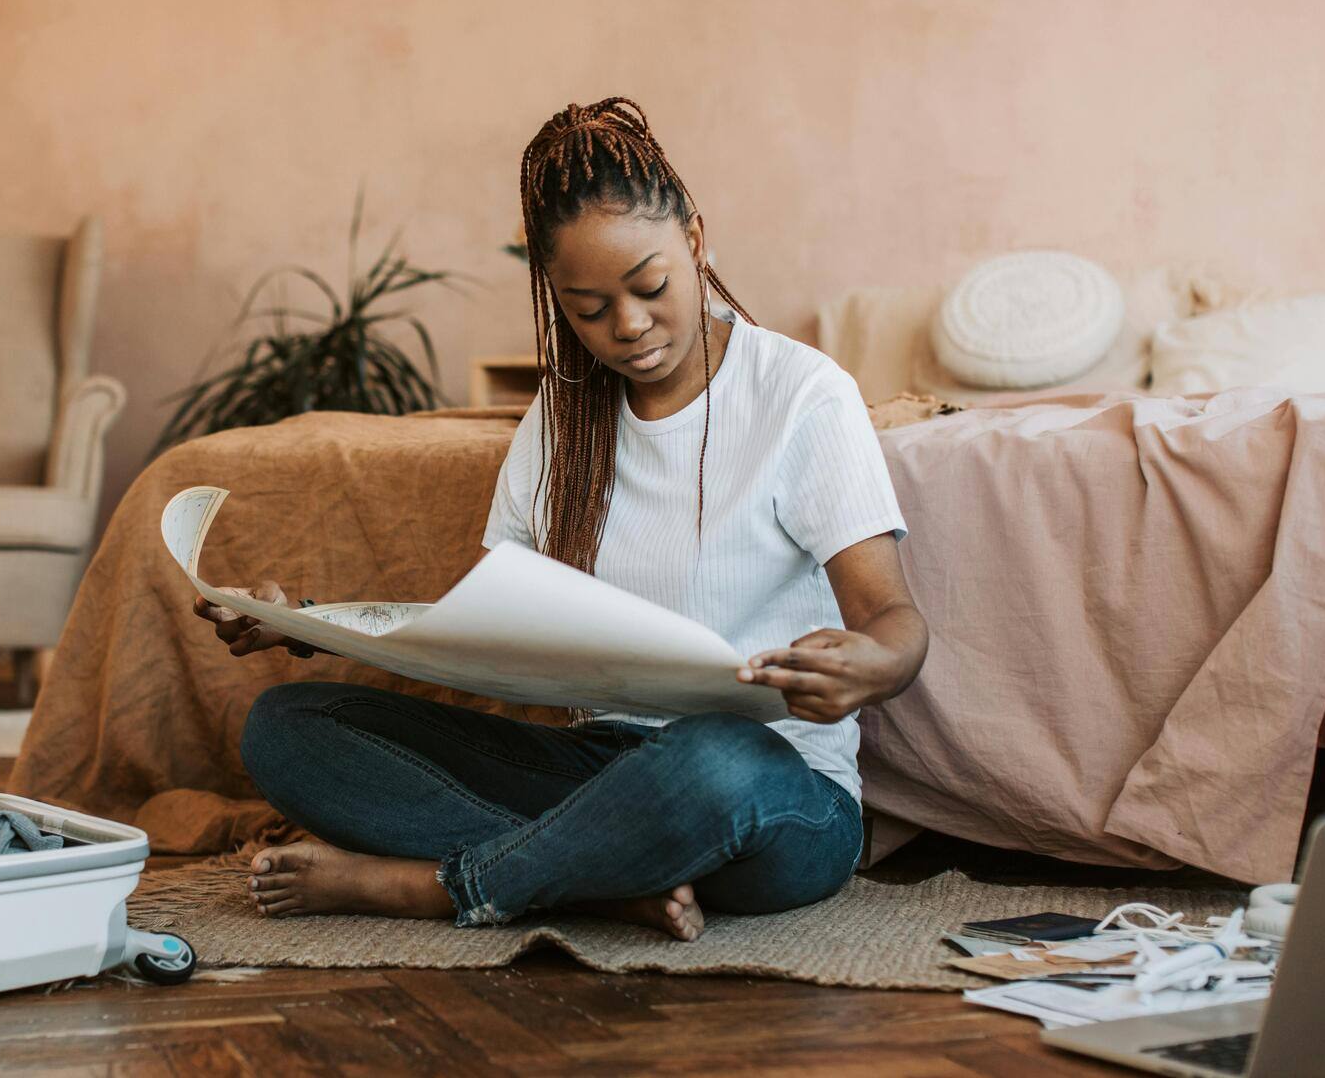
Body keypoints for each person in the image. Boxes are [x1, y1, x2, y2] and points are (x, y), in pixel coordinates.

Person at [194, 98, 927, 940]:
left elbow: (894, 621)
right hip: (596, 770)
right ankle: (593, 881)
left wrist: (872, 664)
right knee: (288, 728)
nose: (629, 327)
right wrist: (308, 626)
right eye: (588, 308)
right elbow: (486, 629)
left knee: (719, 756)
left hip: (775, 795)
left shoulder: (800, 394)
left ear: (694, 239)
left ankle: (439, 885)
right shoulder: (561, 419)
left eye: (650, 287)